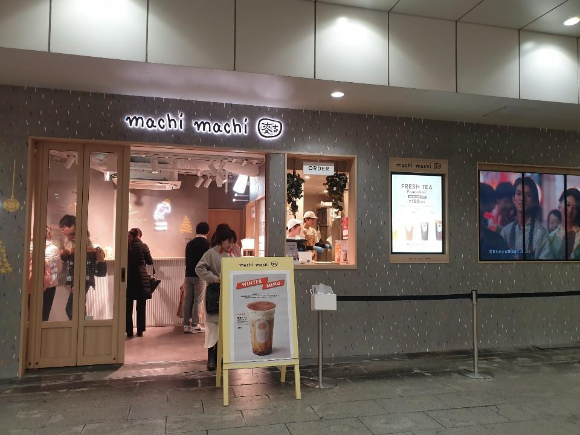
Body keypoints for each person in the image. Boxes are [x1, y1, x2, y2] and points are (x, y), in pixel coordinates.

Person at [195, 227, 235, 371]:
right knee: (212, 327)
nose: (231, 245)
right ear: (221, 240)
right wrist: (214, 279)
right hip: (214, 295)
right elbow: (199, 268)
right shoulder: (211, 253)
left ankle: (221, 355)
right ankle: (211, 358)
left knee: (224, 326)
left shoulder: (231, 256)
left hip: (227, 295)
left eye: (232, 242)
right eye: (229, 241)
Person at [59, 214, 106, 320]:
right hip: (81, 279)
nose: (62, 230)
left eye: (64, 227)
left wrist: (77, 283)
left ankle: (82, 328)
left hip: (81, 279)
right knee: (78, 307)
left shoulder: (80, 241)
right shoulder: (78, 240)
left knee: (71, 309)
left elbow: (82, 263)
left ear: (73, 226)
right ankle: (83, 328)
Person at [500, 177, 552, 260]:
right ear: (513, 199)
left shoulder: (541, 233)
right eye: (518, 194)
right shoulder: (505, 232)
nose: (522, 198)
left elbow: (545, 265)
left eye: (528, 195)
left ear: (534, 201)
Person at [126, 228, 154, 337]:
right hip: (141, 279)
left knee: (128, 306)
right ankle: (140, 330)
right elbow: (150, 261)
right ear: (139, 235)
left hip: (128, 278)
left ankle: (129, 331)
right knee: (141, 306)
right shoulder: (143, 246)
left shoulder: (126, 246)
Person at [183, 222, 210, 333]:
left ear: (196, 231)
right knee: (197, 301)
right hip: (200, 275)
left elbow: (187, 260)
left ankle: (186, 325)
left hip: (188, 274)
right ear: (207, 232)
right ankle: (195, 324)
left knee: (187, 300)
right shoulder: (207, 244)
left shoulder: (189, 243)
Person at [549, 188, 580, 259]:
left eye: (575, 208)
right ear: (560, 204)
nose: (570, 211)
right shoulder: (551, 238)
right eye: (568, 205)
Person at [43, 226, 62, 321]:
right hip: (49, 285)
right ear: (49, 235)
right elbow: (57, 269)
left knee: (31, 312)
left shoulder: (30, 246)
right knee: (44, 314)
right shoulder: (53, 249)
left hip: (32, 283)